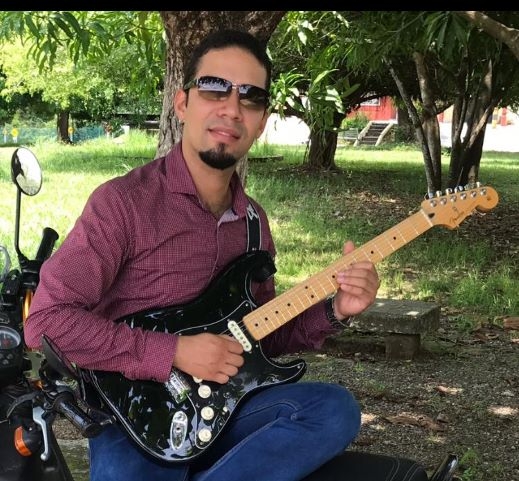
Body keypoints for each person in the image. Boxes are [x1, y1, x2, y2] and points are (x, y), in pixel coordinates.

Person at [25, 29, 380, 481]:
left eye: (250, 97)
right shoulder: (123, 204)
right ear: (182, 103)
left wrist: (336, 309)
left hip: (227, 408)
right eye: (215, 88)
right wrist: (173, 351)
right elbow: (46, 321)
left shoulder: (253, 222)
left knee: (333, 411)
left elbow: (258, 340)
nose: (232, 108)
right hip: (134, 418)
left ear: (261, 120)